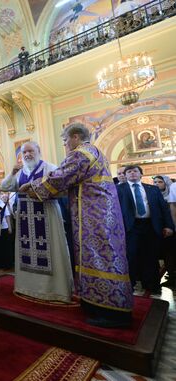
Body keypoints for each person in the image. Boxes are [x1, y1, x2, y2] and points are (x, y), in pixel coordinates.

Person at [20, 123, 133, 328]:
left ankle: (111, 312)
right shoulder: (95, 151)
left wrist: (32, 186)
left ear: (75, 137)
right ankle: (96, 303)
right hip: (100, 213)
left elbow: (60, 177)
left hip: (94, 215)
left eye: (65, 141)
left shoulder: (81, 153)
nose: (65, 145)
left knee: (98, 258)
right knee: (102, 256)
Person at [1, 142, 73, 303]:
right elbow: (5, 187)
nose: (27, 154)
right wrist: (12, 173)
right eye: (24, 152)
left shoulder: (50, 168)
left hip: (47, 214)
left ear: (38, 152)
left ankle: (54, 290)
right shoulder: (20, 173)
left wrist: (36, 190)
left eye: (30, 151)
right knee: (26, 253)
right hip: (25, 216)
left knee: (52, 250)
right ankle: (27, 287)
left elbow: (61, 190)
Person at [117, 166, 174, 294]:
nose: (132, 173)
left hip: (150, 226)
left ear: (141, 174)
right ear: (125, 176)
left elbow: (164, 209)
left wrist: (169, 226)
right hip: (130, 227)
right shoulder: (118, 189)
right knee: (131, 256)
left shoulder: (152, 189)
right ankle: (129, 286)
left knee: (151, 256)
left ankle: (152, 284)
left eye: (135, 171)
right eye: (129, 172)